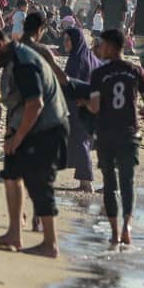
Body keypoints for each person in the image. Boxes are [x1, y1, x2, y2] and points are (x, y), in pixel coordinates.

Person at [0, 27, 69, 257]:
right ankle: (14, 234)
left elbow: (35, 104)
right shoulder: (8, 56)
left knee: (40, 183)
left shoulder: (23, 62)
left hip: (48, 127)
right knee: (11, 174)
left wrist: (17, 138)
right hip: (27, 125)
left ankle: (50, 244)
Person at [84, 30, 144, 247]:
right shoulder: (136, 71)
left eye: (102, 45)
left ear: (112, 46)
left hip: (106, 134)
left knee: (110, 184)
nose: (99, 48)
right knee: (127, 182)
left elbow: (94, 108)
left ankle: (113, 232)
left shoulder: (99, 74)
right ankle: (127, 228)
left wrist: (83, 103)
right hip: (129, 133)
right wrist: (142, 111)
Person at [59, 27, 98, 193]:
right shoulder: (89, 57)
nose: (65, 43)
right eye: (65, 39)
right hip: (90, 106)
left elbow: (71, 85)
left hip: (79, 107)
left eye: (68, 40)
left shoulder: (76, 60)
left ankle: (86, 182)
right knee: (82, 142)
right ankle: (84, 180)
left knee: (81, 141)